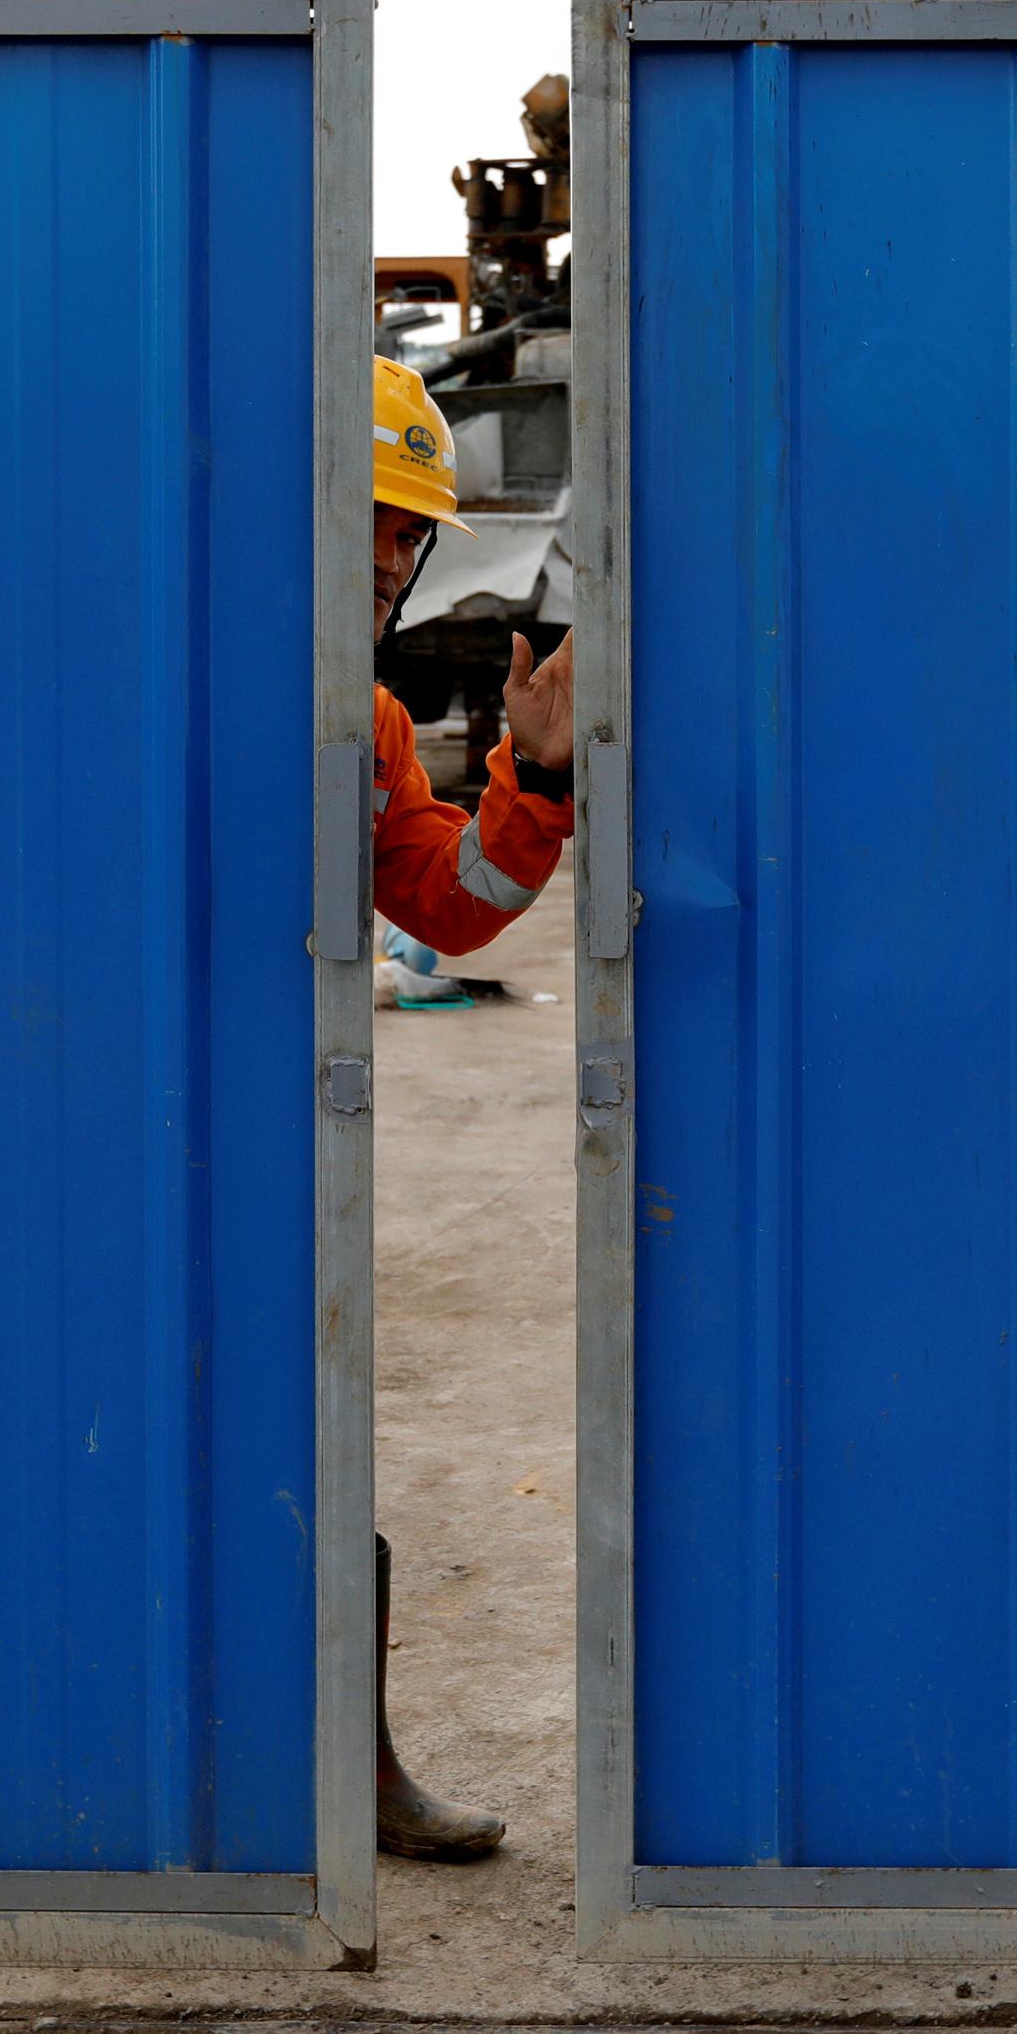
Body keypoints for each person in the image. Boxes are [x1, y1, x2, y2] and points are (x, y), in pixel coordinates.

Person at [362, 354, 573, 1861]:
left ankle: (339, 1776)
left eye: (406, 529)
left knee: (302, 1447)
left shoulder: (370, 727)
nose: (392, 556)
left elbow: (455, 897)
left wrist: (538, 772)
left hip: (278, 1140)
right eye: (369, 520)